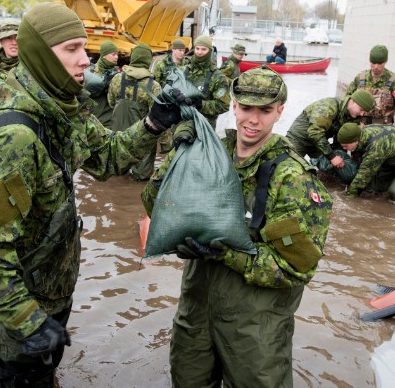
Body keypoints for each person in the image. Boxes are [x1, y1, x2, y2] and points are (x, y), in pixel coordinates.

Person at [0, 2, 185, 387]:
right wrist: (30, 325)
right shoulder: (16, 136)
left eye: (84, 48)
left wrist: (152, 124)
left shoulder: (63, 106)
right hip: (19, 316)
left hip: (48, 295)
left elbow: (106, 157)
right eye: (71, 49)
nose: (85, 60)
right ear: (40, 55)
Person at [141, 66, 333, 387]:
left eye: (265, 111)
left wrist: (223, 252)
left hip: (256, 329)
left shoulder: (292, 178)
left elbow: (295, 269)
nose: (253, 120)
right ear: (233, 106)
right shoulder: (210, 154)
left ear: (280, 112)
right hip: (196, 312)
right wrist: (178, 156)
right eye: (245, 108)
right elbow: (156, 207)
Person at [336, 123, 395, 204]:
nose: (344, 149)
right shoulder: (362, 134)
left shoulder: (375, 147)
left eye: (346, 146)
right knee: (375, 186)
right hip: (394, 154)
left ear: (356, 141)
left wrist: (349, 199)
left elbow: (363, 176)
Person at [107, 42, 162, 181]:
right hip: (143, 139)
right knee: (141, 178)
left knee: (117, 176)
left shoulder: (117, 79)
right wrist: (165, 143)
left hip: (119, 136)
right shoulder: (153, 86)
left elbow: (111, 103)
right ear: (148, 61)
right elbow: (158, 116)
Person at [285, 89, 375, 163]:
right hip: (299, 139)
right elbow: (314, 132)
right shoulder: (328, 106)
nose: (362, 114)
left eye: (364, 112)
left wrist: (340, 156)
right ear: (353, 101)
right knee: (288, 166)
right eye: (361, 109)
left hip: (318, 144)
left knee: (333, 168)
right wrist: (332, 157)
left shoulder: (352, 116)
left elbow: (342, 139)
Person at [344, 45, 395, 127]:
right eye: (373, 63)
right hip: (360, 128)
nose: (376, 67)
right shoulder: (360, 78)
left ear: (385, 61)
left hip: (383, 130)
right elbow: (346, 101)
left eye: (379, 63)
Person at [183, 35, 229, 130]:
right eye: (197, 48)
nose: (199, 52)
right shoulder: (183, 70)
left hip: (204, 128)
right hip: (180, 125)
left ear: (210, 51)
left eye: (204, 49)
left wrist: (201, 104)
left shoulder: (217, 76)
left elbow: (224, 105)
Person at [87, 40, 120, 128]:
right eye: (113, 54)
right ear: (104, 55)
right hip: (91, 118)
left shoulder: (117, 74)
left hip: (109, 121)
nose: (116, 57)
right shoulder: (90, 71)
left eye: (117, 54)